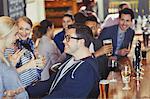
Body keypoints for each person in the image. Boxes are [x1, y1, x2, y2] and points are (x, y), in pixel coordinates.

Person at [26, 23, 100, 98]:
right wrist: (23, 92)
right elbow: (50, 83)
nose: (64, 41)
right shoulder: (71, 60)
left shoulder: (86, 69)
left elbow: (65, 96)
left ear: (81, 42)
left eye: (68, 38)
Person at [0, 16, 29, 98]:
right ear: (5, 35)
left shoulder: (4, 57)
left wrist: (11, 65)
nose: (17, 37)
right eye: (15, 34)